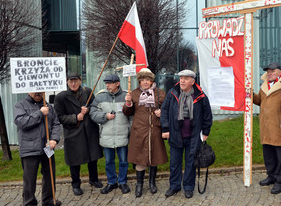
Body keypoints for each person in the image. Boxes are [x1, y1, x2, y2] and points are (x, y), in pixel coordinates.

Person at [161, 69, 213, 199]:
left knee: (190, 163)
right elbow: (165, 110)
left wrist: (205, 131)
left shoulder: (200, 96)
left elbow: (207, 115)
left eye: (185, 78)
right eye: (181, 78)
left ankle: (189, 187)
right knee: (175, 163)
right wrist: (165, 129)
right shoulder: (173, 93)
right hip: (175, 135)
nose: (182, 80)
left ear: (192, 81)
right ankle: (174, 185)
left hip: (193, 136)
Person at [54, 72, 103, 196]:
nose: (73, 83)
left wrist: (89, 109)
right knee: (74, 160)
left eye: (76, 81)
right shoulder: (61, 97)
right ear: (67, 82)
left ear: (80, 81)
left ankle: (94, 179)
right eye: (71, 81)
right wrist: (76, 117)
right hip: (73, 132)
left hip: (90, 130)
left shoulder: (88, 92)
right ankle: (76, 184)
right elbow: (59, 117)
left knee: (93, 157)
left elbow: (95, 106)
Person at [123, 68, 168, 197]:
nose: (145, 82)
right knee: (140, 159)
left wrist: (162, 113)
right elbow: (127, 113)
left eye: (148, 80)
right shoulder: (134, 94)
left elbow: (168, 109)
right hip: (139, 131)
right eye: (142, 80)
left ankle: (152, 183)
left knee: (154, 158)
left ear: (152, 80)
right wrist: (128, 103)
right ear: (139, 81)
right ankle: (139, 185)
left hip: (154, 130)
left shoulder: (160, 93)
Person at [14, 92, 62, 206]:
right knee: (29, 179)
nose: (38, 92)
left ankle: (49, 200)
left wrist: (54, 139)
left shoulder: (49, 106)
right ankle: (29, 202)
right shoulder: (20, 105)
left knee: (50, 174)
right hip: (29, 148)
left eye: (40, 89)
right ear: (28, 91)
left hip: (47, 147)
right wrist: (40, 113)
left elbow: (56, 123)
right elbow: (22, 122)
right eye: (34, 89)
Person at [90, 74, 132, 195]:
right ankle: (112, 182)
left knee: (123, 161)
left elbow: (132, 115)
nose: (107, 85)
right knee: (109, 161)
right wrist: (105, 116)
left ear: (117, 83)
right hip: (106, 135)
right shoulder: (100, 97)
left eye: (110, 83)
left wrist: (130, 129)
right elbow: (92, 113)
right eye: (106, 83)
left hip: (123, 134)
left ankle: (122, 182)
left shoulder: (126, 96)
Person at [253, 62, 281, 194]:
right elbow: (259, 101)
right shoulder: (264, 86)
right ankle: (271, 176)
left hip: (280, 127)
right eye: (268, 71)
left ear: (280, 73)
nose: (270, 73)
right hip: (266, 126)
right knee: (268, 155)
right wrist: (251, 95)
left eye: (273, 71)